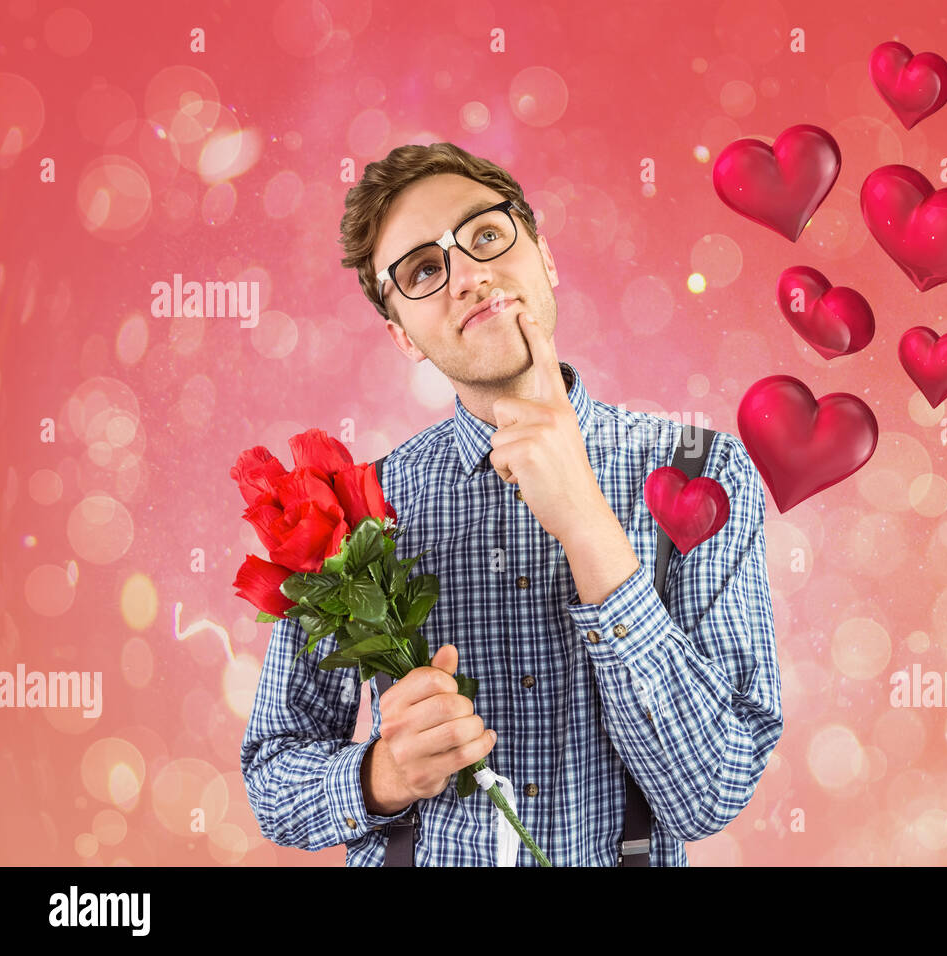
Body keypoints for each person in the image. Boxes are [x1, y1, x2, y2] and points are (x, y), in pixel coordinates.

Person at [239, 142, 782, 866]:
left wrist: (587, 522)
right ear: (401, 335)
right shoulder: (356, 511)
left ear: (544, 257)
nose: (468, 275)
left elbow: (710, 792)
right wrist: (381, 776)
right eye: (425, 271)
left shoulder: (703, 475)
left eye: (486, 235)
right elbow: (272, 778)